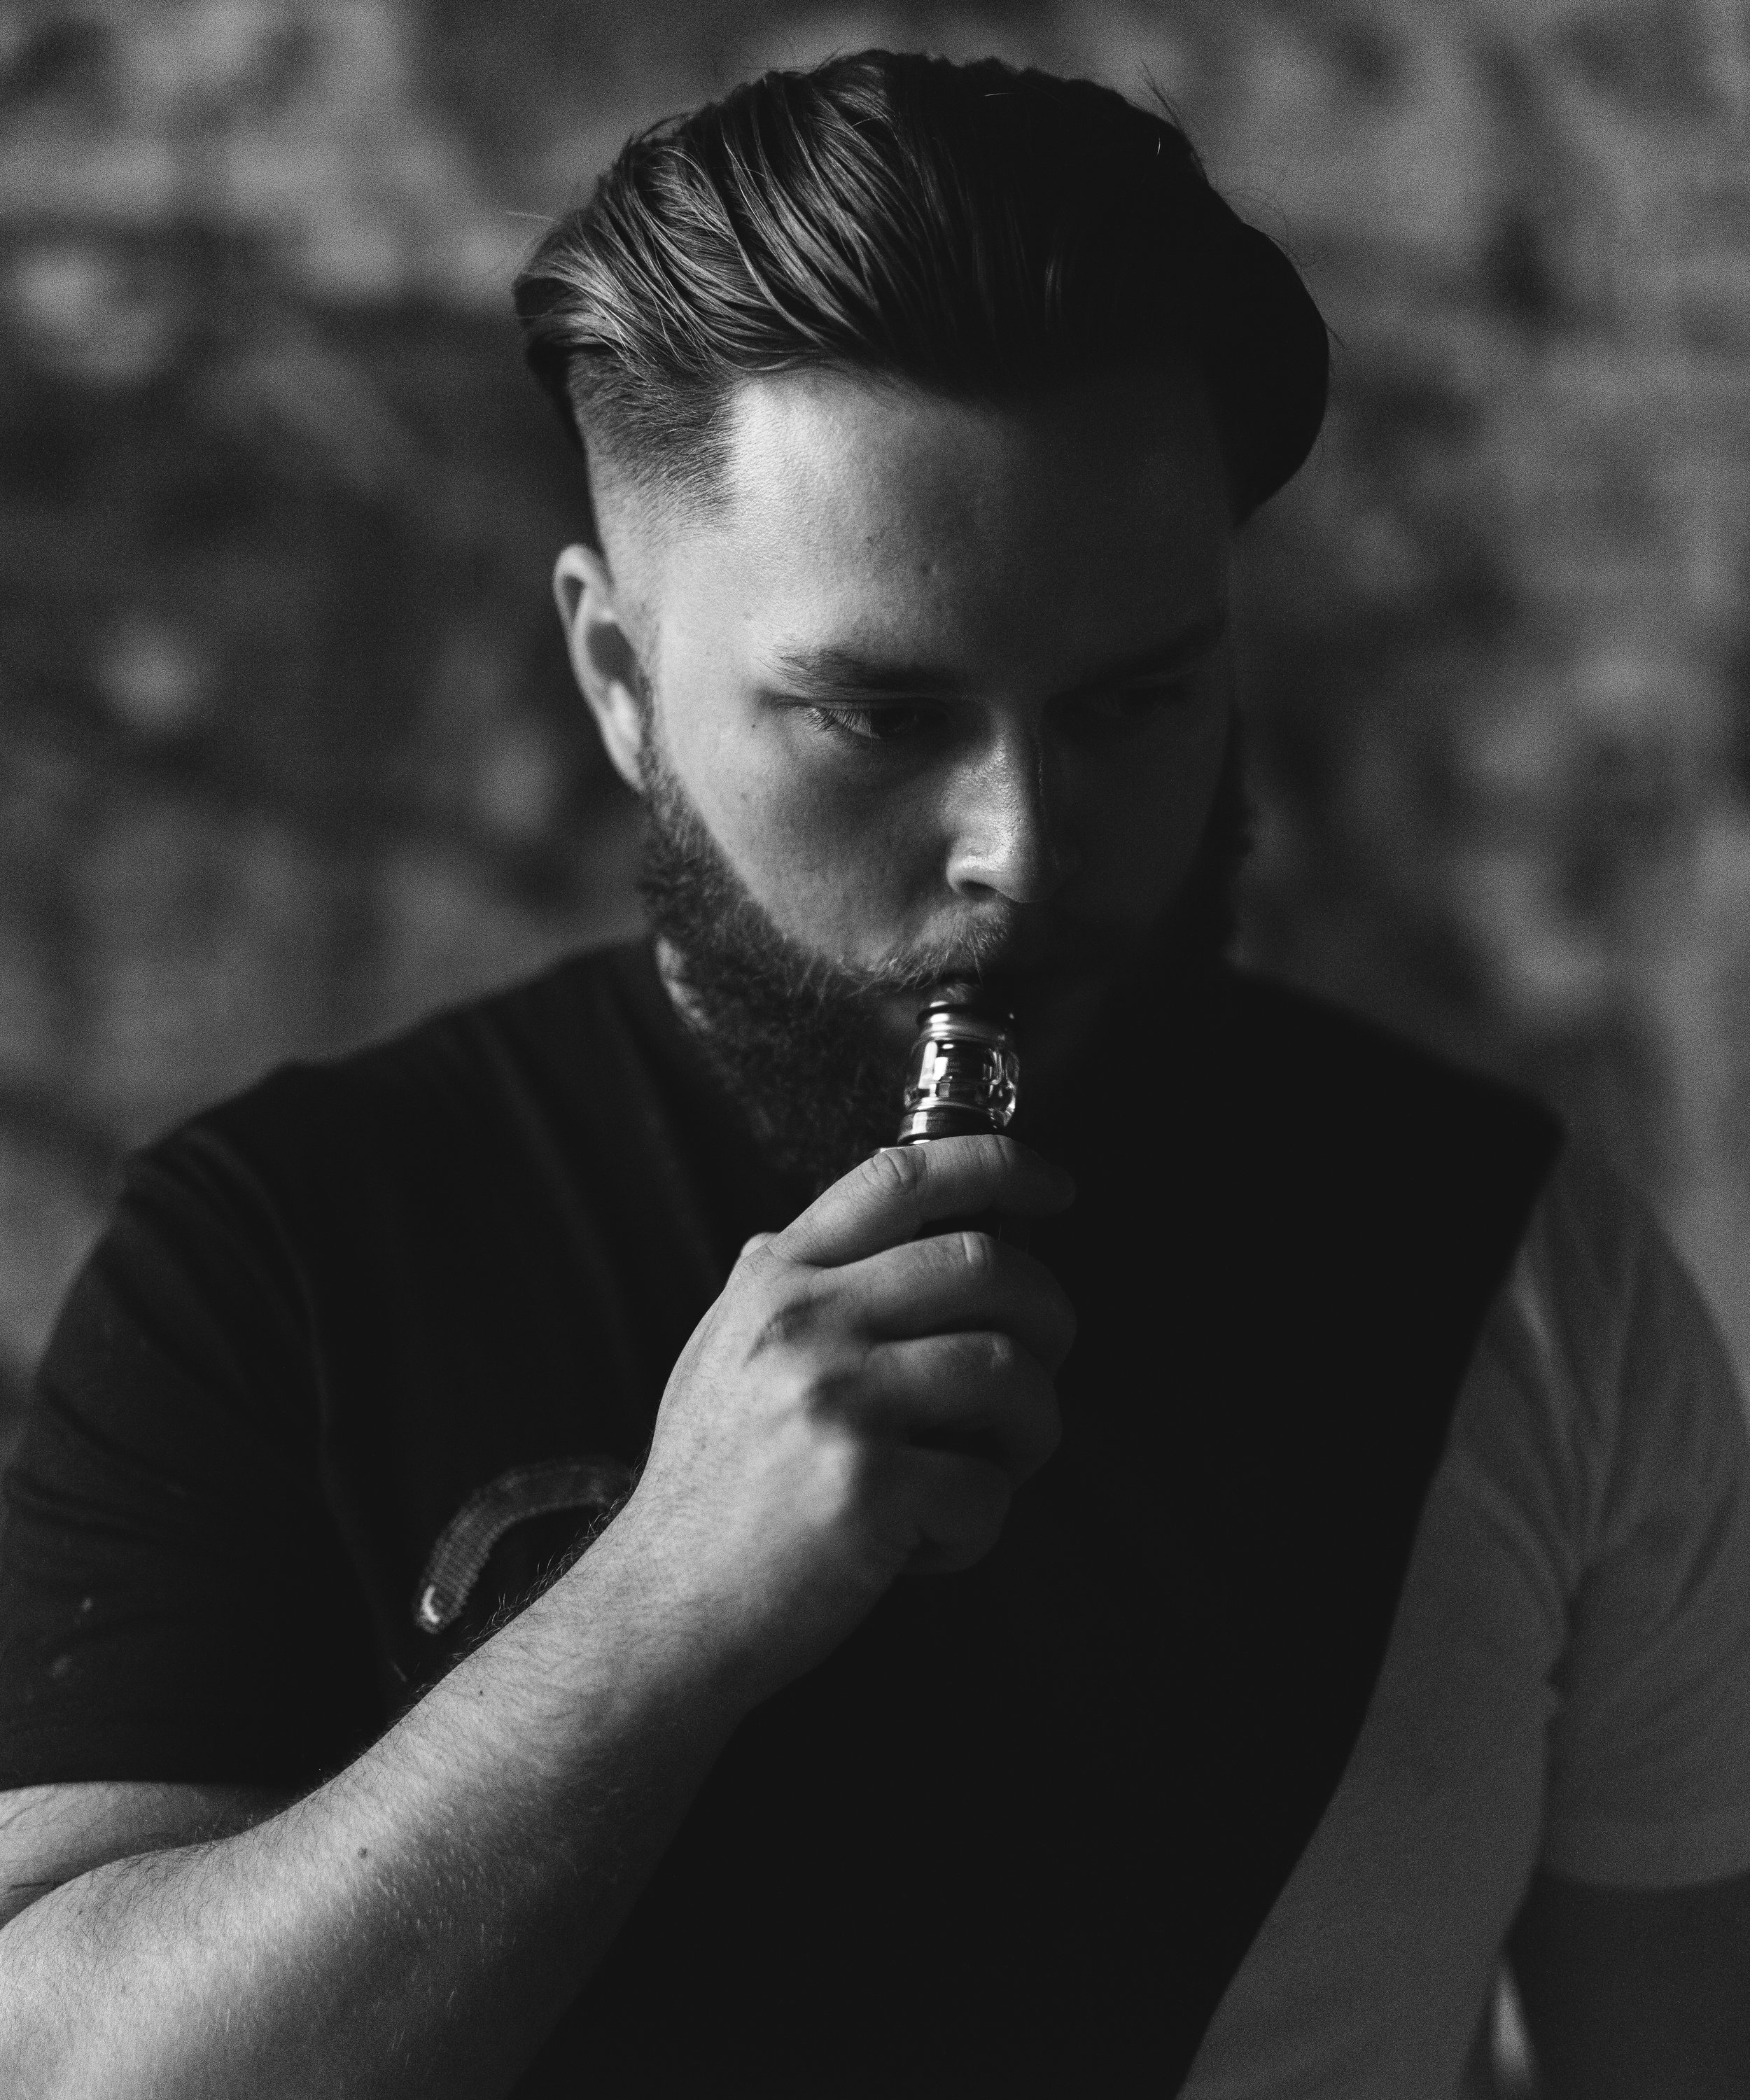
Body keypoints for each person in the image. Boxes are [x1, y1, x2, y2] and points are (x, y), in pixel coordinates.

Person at [1, 50, 1748, 2099]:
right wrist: (660, 1604)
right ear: (619, 683)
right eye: (876, 717)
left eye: (1136, 697)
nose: (1024, 838)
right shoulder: (282, 1246)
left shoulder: (1522, 1274)